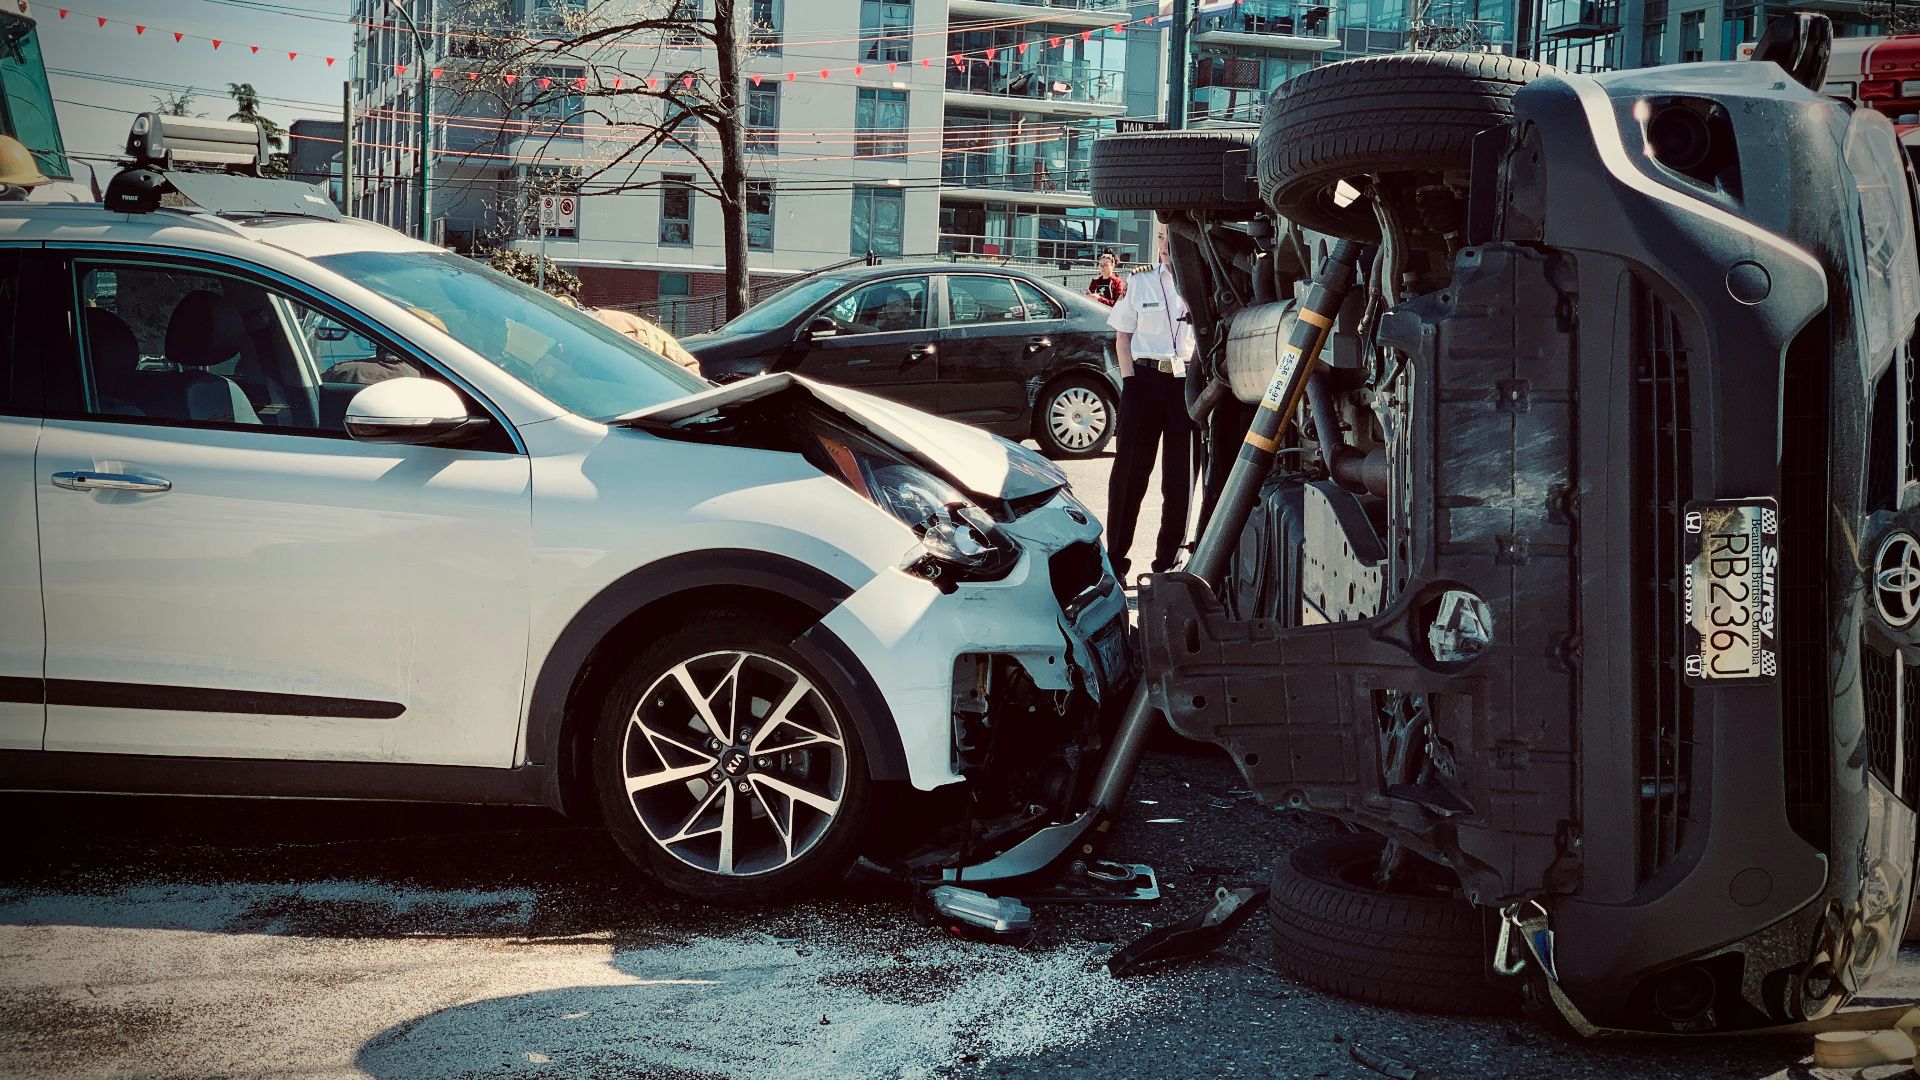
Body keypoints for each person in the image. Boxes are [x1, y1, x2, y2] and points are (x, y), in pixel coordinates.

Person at [1105, 233, 1197, 580]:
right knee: (1129, 475)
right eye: (1159, 237)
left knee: (1180, 480)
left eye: (1168, 237)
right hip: (1144, 383)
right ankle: (1115, 561)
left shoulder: (1199, 279)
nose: (1163, 244)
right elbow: (1123, 335)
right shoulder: (1140, 280)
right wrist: (1129, 383)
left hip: (1185, 385)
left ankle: (1167, 565)